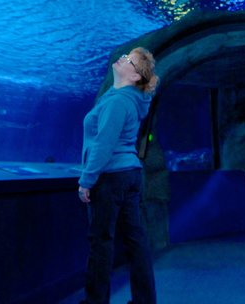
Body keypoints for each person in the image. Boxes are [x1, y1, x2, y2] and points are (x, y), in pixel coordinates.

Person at [78, 47, 159, 304]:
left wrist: (86, 181)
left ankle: (95, 301)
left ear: (135, 76)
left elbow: (104, 144)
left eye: (130, 60)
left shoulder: (117, 101)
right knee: (135, 240)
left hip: (111, 176)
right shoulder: (125, 98)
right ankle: (144, 300)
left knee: (101, 241)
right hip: (130, 174)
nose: (122, 59)